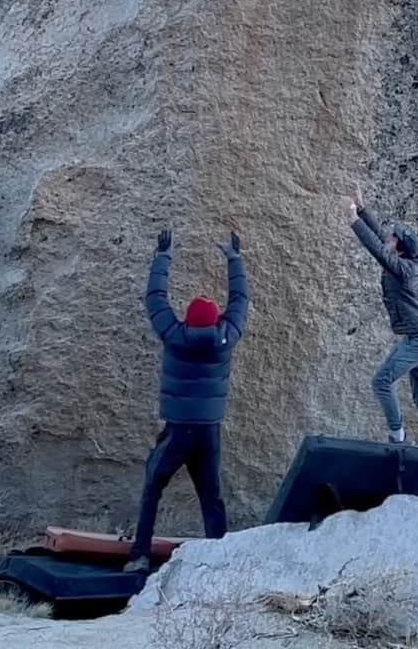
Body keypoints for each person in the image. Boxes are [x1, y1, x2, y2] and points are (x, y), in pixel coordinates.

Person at [124, 227, 248, 574]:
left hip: (178, 431)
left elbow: (155, 298)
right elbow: (240, 302)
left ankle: (139, 555)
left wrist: (163, 255)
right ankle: (221, 561)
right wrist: (235, 260)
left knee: (153, 487)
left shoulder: (174, 336)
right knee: (212, 497)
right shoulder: (227, 337)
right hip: (209, 431)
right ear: (216, 321)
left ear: (186, 319)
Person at [348, 185, 418, 448]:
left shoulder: (404, 269)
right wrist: (363, 209)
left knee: (381, 382)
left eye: (393, 238)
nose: (388, 238)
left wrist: (353, 220)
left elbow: (377, 248)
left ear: (398, 247)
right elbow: (381, 238)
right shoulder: (403, 260)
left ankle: (397, 437)